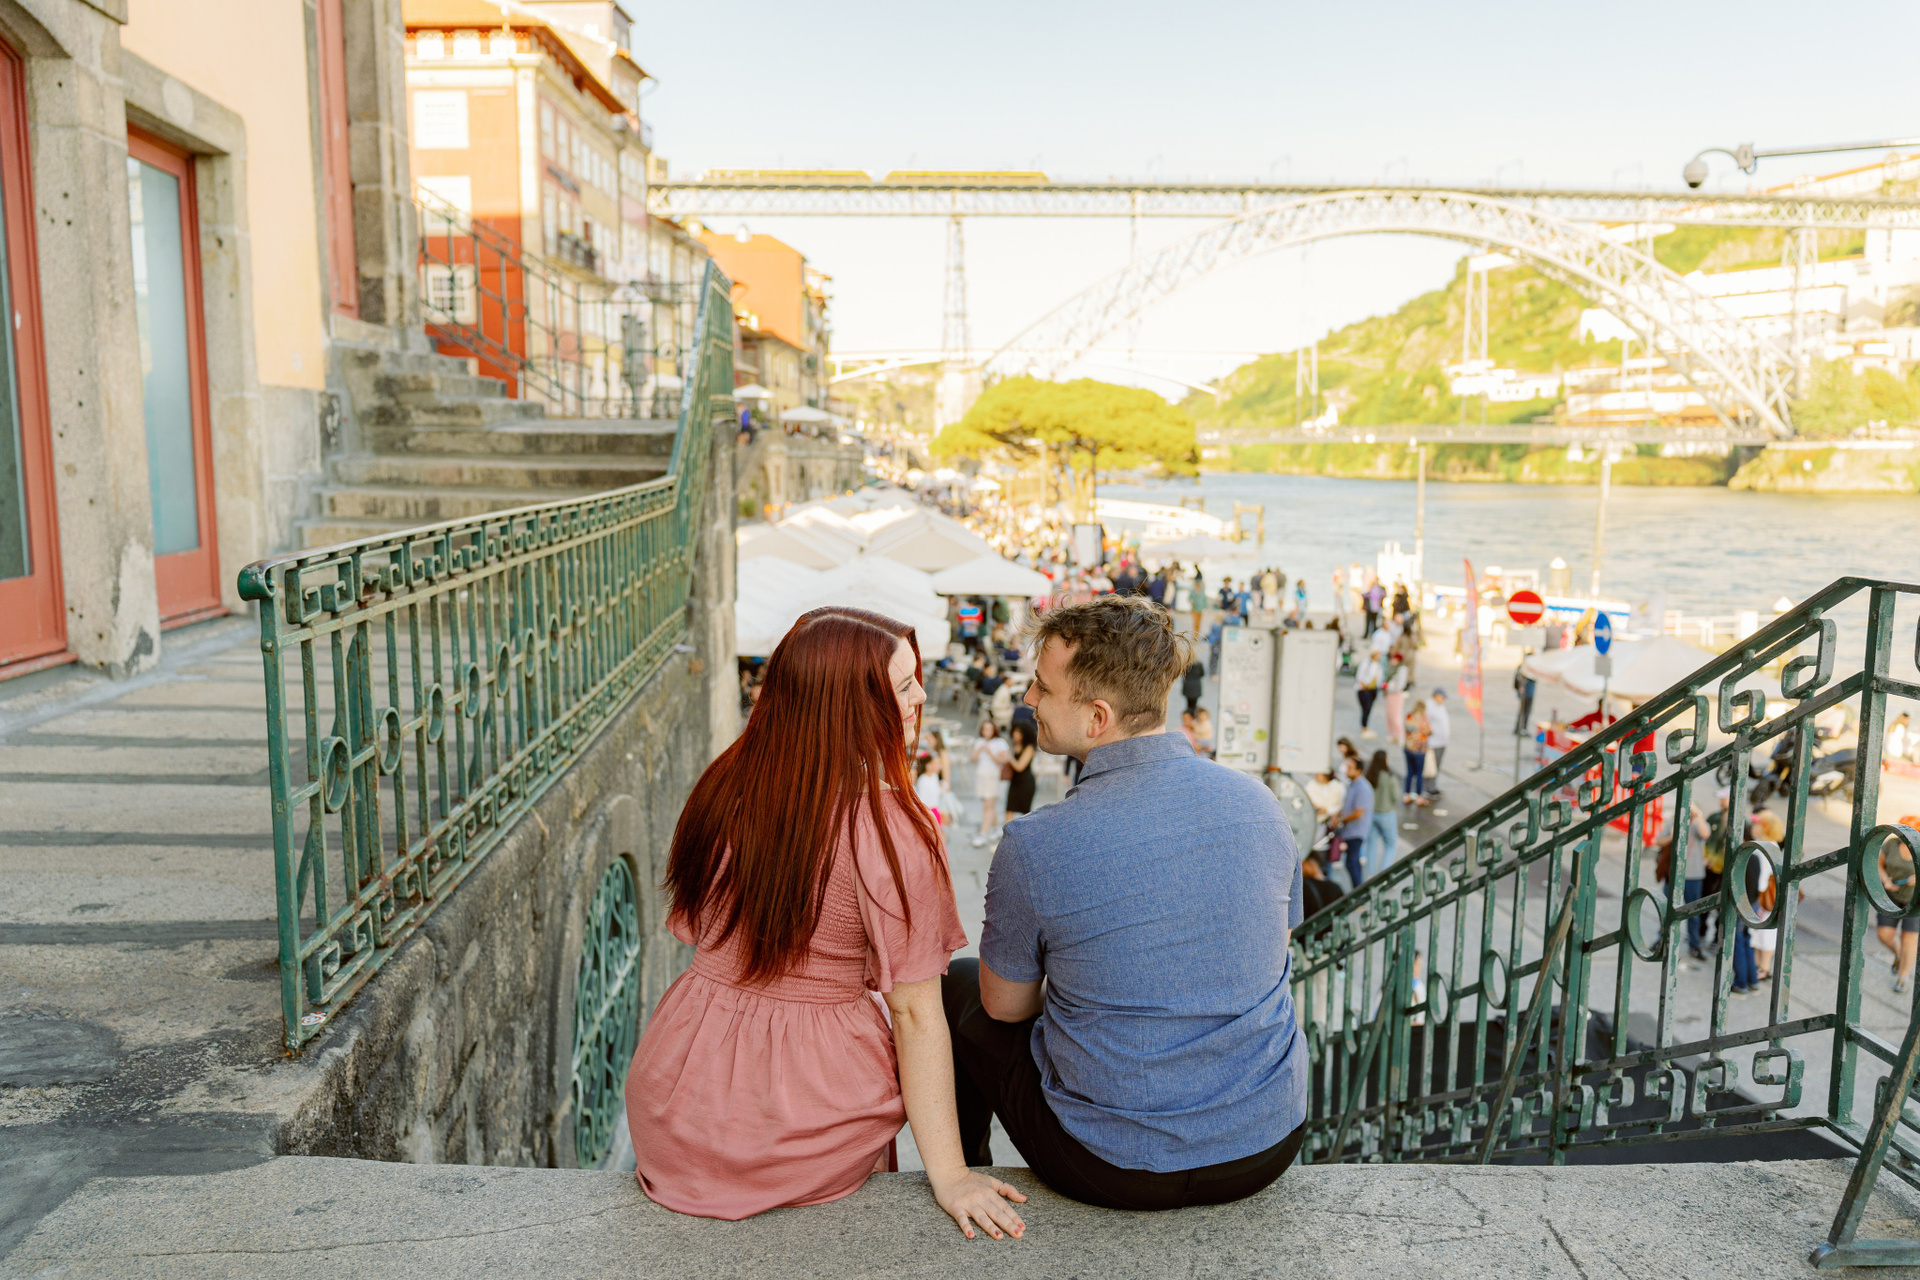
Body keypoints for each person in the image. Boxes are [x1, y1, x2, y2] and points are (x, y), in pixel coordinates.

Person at [626, 606, 1027, 1237]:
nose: (922, 696)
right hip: (804, 1110)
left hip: (676, 1097)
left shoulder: (723, 789)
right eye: (905, 684)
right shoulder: (890, 830)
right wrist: (951, 1174)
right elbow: (915, 1014)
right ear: (849, 706)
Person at [946, 594, 1308, 1210]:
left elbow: (1005, 1008)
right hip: (1266, 1144)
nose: (1028, 699)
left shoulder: (1036, 845)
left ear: (1097, 717)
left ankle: (968, 1171)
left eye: (1042, 687)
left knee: (957, 983)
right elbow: (1273, 945)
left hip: (1109, 1163)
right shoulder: (1260, 804)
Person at [1878, 817, 1919, 992]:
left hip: (1915, 900)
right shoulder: (1892, 844)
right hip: (1892, 895)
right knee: (1884, 934)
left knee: (1909, 937)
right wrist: (1885, 880)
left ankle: (1903, 978)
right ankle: (1899, 954)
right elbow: (1879, 863)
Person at [971, 720, 1013, 848]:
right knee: (988, 804)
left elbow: (1004, 760)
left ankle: (983, 833)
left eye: (989, 729)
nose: (987, 732)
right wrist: (979, 750)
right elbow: (973, 759)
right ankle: (996, 828)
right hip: (981, 776)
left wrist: (990, 752)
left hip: (992, 776)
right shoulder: (979, 741)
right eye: (984, 729)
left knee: (988, 806)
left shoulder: (1000, 743)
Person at [1336, 755, 1373, 888]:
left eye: (1350, 768)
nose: (1347, 770)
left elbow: (1358, 812)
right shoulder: (1352, 785)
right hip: (1350, 830)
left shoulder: (1362, 787)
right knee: (1352, 862)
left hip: (1356, 830)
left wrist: (1341, 819)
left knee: (1352, 861)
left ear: (1358, 770)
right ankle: (1358, 889)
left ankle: (1359, 890)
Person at [1365, 750, 1400, 878]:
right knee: (1390, 844)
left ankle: (1370, 874)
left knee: (1371, 845)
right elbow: (1396, 796)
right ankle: (1385, 874)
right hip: (1386, 813)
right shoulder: (1389, 777)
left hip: (1372, 813)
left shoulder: (1369, 775)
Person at [1004, 722, 1037, 820]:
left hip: (1025, 783)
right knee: (1009, 809)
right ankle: (1007, 830)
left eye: (1019, 732)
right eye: (1015, 732)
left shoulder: (1029, 748)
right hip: (1014, 781)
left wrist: (1009, 757)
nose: (1015, 735)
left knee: (1025, 813)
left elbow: (1020, 767)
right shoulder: (1014, 745)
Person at [1403, 702, 1431, 808]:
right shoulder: (1423, 718)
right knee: (1419, 773)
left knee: (1410, 772)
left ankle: (1406, 795)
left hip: (1408, 747)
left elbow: (1406, 729)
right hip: (1419, 749)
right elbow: (1428, 731)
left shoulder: (1409, 716)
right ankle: (1419, 797)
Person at [1425, 689, 1451, 796]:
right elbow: (1425, 723)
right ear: (1436, 695)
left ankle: (1433, 786)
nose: (1443, 700)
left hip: (1441, 742)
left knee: (1436, 766)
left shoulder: (1440, 706)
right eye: (1442, 697)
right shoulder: (1429, 706)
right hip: (1433, 743)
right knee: (1431, 767)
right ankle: (1428, 788)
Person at [1355, 648, 1383, 737]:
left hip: (1373, 689)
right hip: (1365, 689)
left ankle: (1366, 726)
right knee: (1365, 708)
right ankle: (1364, 727)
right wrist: (1363, 686)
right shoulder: (1366, 663)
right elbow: (1360, 676)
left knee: (1369, 708)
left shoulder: (1378, 665)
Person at [1383, 656, 1408, 748]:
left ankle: (1400, 736)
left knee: (1396, 715)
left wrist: (1389, 687)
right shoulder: (1392, 668)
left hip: (1396, 695)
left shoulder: (1402, 670)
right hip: (1390, 694)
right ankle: (1393, 734)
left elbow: (1399, 685)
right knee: (1389, 714)